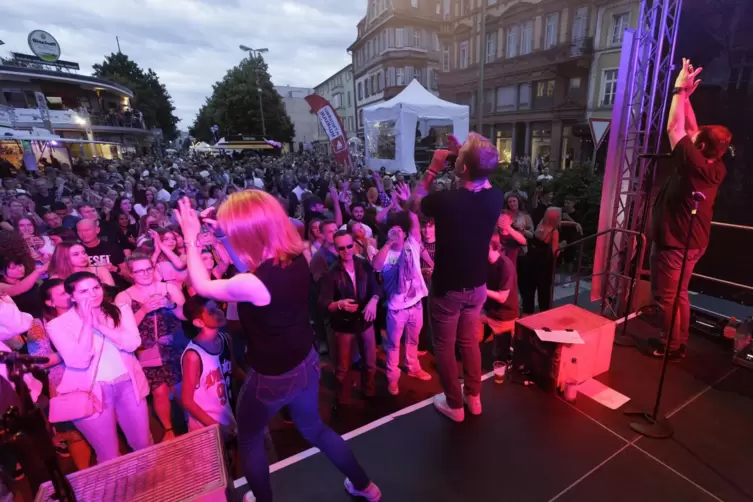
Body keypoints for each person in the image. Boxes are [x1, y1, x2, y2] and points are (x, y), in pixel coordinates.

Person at [175, 194, 381, 502]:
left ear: (250, 232)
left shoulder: (254, 283)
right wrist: (220, 235)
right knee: (316, 430)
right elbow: (249, 264)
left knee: (249, 439)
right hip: (305, 360)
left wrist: (191, 238)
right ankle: (366, 486)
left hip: (271, 376)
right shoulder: (294, 254)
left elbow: (203, 286)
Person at [410, 133, 504, 422]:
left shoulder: (445, 201)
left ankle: (455, 405)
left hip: (448, 288)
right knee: (469, 343)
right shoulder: (495, 197)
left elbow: (415, 204)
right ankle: (473, 398)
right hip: (477, 285)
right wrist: (464, 156)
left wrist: (433, 169)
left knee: (444, 347)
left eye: (460, 156)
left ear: (461, 168)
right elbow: (477, 177)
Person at [650, 58, 731, 360]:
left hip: (675, 242)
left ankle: (670, 346)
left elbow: (675, 126)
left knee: (666, 296)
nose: (694, 132)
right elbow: (692, 127)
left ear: (700, 147)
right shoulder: (715, 165)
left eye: (698, 137)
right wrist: (684, 95)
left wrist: (676, 90)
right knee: (680, 294)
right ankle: (679, 342)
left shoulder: (693, 164)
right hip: (695, 241)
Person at [46, 272, 151, 464]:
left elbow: (132, 344)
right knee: (109, 454)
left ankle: (153, 487)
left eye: (96, 288)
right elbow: (78, 361)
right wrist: (87, 323)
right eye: (84, 291)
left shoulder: (120, 310)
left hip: (128, 383)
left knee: (143, 443)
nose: (93, 294)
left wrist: (101, 327)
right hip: (92, 392)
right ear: (72, 296)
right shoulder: (57, 325)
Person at [373, 191, 433, 396]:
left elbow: (414, 220)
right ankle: (392, 378)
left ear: (406, 234)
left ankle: (413, 367)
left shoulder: (413, 245)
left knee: (413, 341)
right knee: (392, 345)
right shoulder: (386, 252)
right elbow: (375, 265)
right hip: (396, 309)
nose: (397, 233)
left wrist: (406, 204)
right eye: (393, 230)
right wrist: (388, 242)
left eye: (400, 230)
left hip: (415, 304)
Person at [319, 230, 381, 405]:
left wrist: (374, 301)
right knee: (343, 368)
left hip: (365, 322)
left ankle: (369, 393)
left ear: (354, 245)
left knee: (370, 363)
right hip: (344, 326)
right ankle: (342, 399)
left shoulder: (363, 265)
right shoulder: (330, 273)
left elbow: (376, 287)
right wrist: (340, 304)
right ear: (336, 249)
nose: (346, 251)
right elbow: (324, 304)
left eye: (349, 246)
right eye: (341, 248)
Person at [181, 296, 242, 436]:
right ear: (198, 322)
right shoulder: (193, 355)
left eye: (218, 307)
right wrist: (217, 426)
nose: (219, 312)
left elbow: (234, 369)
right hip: (206, 427)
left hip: (227, 417)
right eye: (211, 311)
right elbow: (187, 401)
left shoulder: (226, 339)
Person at [479, 232, 519, 362]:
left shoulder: (505, 266)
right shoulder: (484, 262)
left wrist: (481, 290)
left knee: (499, 358)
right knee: (470, 339)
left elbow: (502, 297)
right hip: (487, 312)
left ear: (492, 247)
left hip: (504, 316)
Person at [522, 206, 561, 314]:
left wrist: (572, 224)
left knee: (529, 288)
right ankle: (544, 313)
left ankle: (527, 312)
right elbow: (555, 252)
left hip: (531, 261)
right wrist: (561, 247)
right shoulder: (554, 231)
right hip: (544, 265)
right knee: (544, 290)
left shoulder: (540, 224)